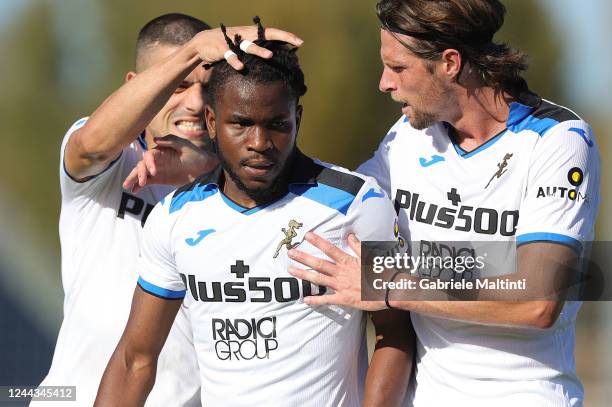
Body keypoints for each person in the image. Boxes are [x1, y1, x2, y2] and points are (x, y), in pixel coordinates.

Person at [286, 0, 600, 406]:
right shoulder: (408, 137)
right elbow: (332, 208)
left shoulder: (559, 140)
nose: (384, 83)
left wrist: (390, 284)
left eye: (398, 68)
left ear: (450, 62)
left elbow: (536, 299)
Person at [96, 30, 413, 407]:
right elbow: (136, 360)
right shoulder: (173, 218)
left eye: (277, 124)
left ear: (297, 117)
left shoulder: (356, 203)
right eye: (241, 124)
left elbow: (396, 334)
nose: (260, 142)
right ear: (211, 122)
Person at [37, 13, 302, 407]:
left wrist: (209, 166)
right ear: (139, 85)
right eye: (177, 85)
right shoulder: (112, 160)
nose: (195, 103)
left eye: (207, 85)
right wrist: (196, 50)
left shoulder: (244, 182)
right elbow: (90, 145)